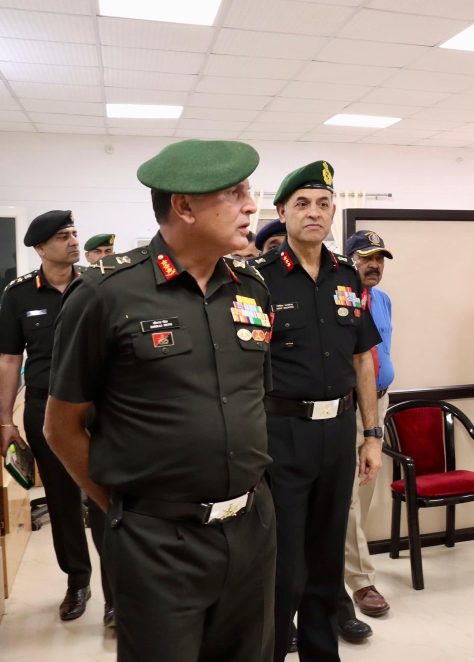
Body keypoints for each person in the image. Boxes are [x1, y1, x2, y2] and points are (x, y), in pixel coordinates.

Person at [43, 139, 276, 662]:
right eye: (234, 193)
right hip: (157, 542)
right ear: (184, 206)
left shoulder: (251, 288)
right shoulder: (106, 293)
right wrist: (125, 512)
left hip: (251, 528)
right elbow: (61, 428)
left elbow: (254, 398)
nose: (250, 206)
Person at [254, 160, 382, 662]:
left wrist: (371, 434)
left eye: (324, 204)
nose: (314, 212)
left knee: (327, 565)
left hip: (338, 435)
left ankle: (321, 654)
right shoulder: (259, 280)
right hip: (282, 435)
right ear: (282, 211)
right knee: (285, 567)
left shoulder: (347, 275)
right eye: (302, 203)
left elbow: (363, 360)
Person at [0, 211, 110, 624]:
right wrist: (5, 421)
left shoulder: (98, 285)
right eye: (64, 236)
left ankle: (117, 592)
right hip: (45, 407)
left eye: (75, 233)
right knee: (63, 501)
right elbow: (9, 359)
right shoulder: (18, 294)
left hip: (100, 407)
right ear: (41, 248)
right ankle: (77, 581)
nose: (74, 240)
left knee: (106, 496)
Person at [338, 229, 394, 621]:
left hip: (381, 401)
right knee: (349, 496)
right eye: (366, 258)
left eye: (379, 259)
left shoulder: (384, 300)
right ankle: (361, 582)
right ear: (349, 261)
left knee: (367, 490)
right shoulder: (339, 300)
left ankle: (350, 564)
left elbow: (381, 352)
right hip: (350, 407)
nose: (373, 265)